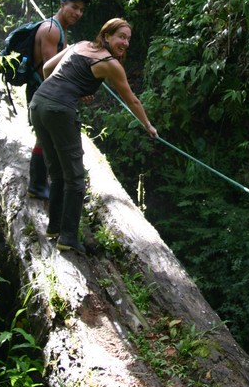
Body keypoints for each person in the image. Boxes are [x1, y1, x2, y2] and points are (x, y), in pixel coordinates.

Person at [29, 18, 158, 254]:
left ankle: (54, 227)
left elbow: (48, 69)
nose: (126, 43)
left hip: (38, 103)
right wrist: (148, 125)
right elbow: (132, 100)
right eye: (121, 36)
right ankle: (67, 237)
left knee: (57, 171)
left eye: (128, 39)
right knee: (75, 177)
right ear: (106, 36)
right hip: (59, 110)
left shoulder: (79, 44)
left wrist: (68, 90)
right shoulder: (111, 64)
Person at [27, 0, 90, 199]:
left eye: (81, 10)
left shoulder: (59, 29)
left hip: (44, 90)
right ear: (62, 5)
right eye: (74, 7)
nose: (78, 13)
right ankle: (37, 185)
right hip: (42, 90)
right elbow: (50, 70)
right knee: (45, 138)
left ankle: (41, 183)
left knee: (45, 137)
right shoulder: (51, 30)